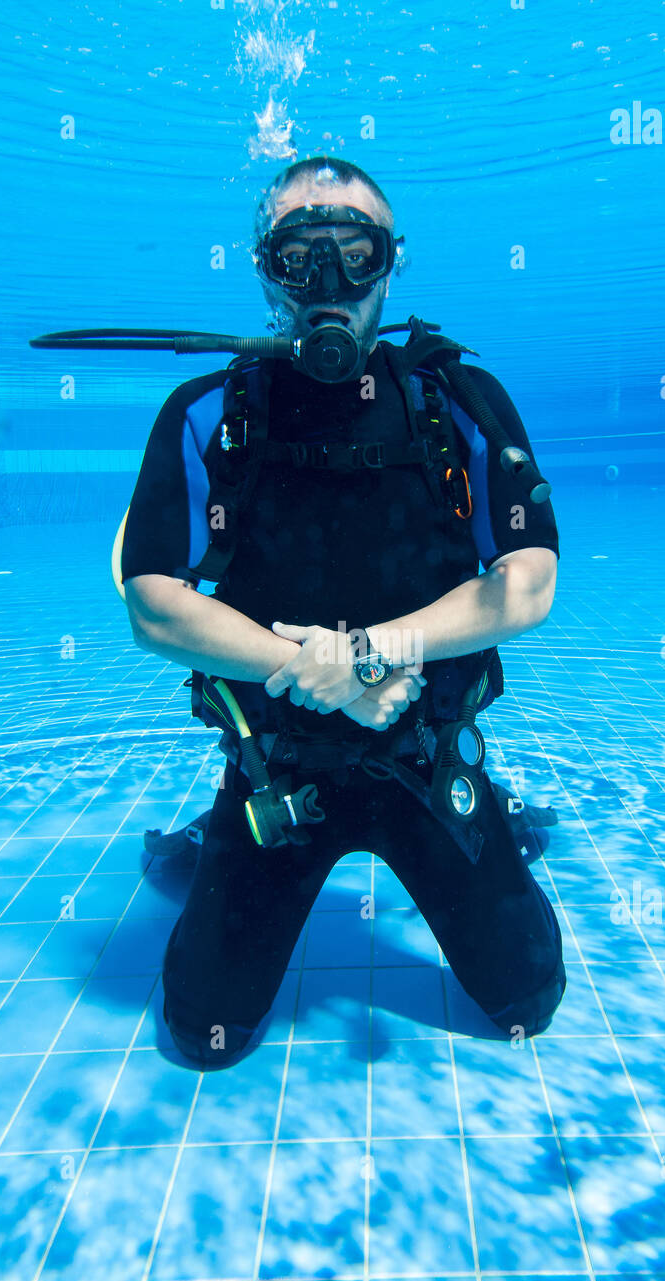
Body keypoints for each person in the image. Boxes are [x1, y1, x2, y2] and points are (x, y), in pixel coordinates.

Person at [120, 157, 566, 1070]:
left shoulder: (455, 402)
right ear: (263, 270)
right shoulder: (210, 414)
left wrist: (366, 653)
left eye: (353, 252)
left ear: (388, 265)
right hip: (280, 777)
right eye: (299, 256)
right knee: (200, 1031)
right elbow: (152, 605)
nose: (329, 284)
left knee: (528, 998)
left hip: (422, 762)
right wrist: (311, 675)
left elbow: (528, 581)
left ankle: (493, 812)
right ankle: (215, 835)